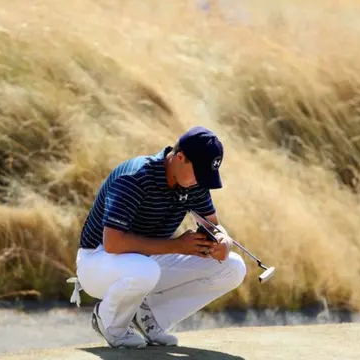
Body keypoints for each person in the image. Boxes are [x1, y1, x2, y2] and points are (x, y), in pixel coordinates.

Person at [67, 126, 247, 349]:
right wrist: (178, 246)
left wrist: (223, 241)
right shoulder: (135, 177)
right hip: (97, 260)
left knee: (232, 267)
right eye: (198, 173)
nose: (200, 181)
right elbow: (113, 242)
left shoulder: (193, 183)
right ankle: (110, 322)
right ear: (180, 158)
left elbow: (213, 225)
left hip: (148, 259)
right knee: (144, 270)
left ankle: (149, 318)